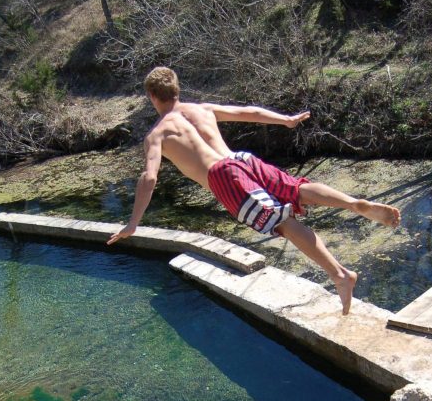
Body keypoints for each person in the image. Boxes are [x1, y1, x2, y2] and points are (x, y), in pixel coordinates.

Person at [107, 66, 401, 315]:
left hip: (222, 177)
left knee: (282, 223)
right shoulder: (201, 110)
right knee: (297, 189)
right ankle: (352, 203)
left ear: (151, 96)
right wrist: (284, 120)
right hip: (241, 159)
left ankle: (340, 275)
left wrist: (133, 223)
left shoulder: (158, 134)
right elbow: (249, 112)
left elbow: (149, 177)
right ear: (176, 89)